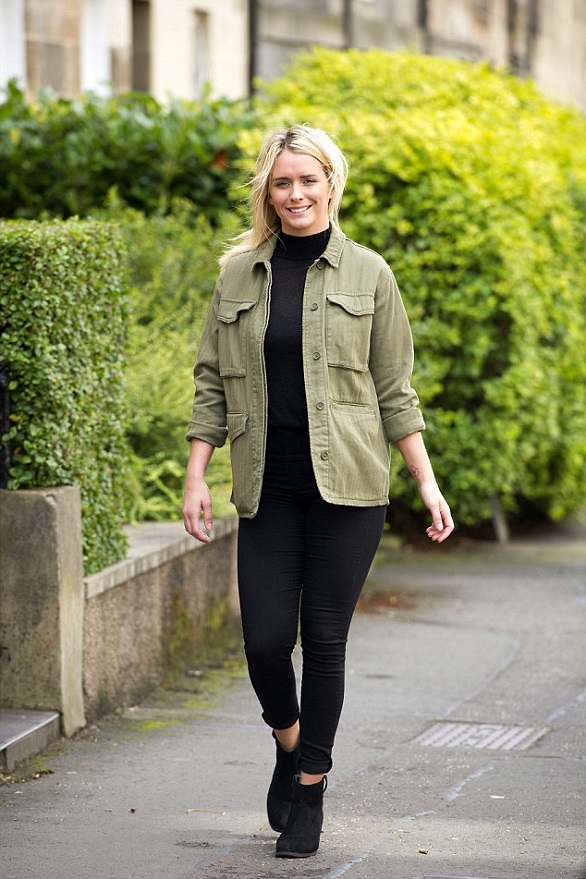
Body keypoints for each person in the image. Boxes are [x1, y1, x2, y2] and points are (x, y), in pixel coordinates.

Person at [183, 124, 454, 859]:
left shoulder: (370, 274)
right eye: (282, 182)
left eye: (308, 180)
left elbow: (395, 390)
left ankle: (310, 786)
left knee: (326, 640)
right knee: (266, 641)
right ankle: (290, 740)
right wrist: (196, 475)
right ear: (268, 193)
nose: (296, 193)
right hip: (267, 485)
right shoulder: (238, 277)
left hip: (351, 488)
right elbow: (210, 382)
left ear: (332, 184)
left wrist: (426, 482)